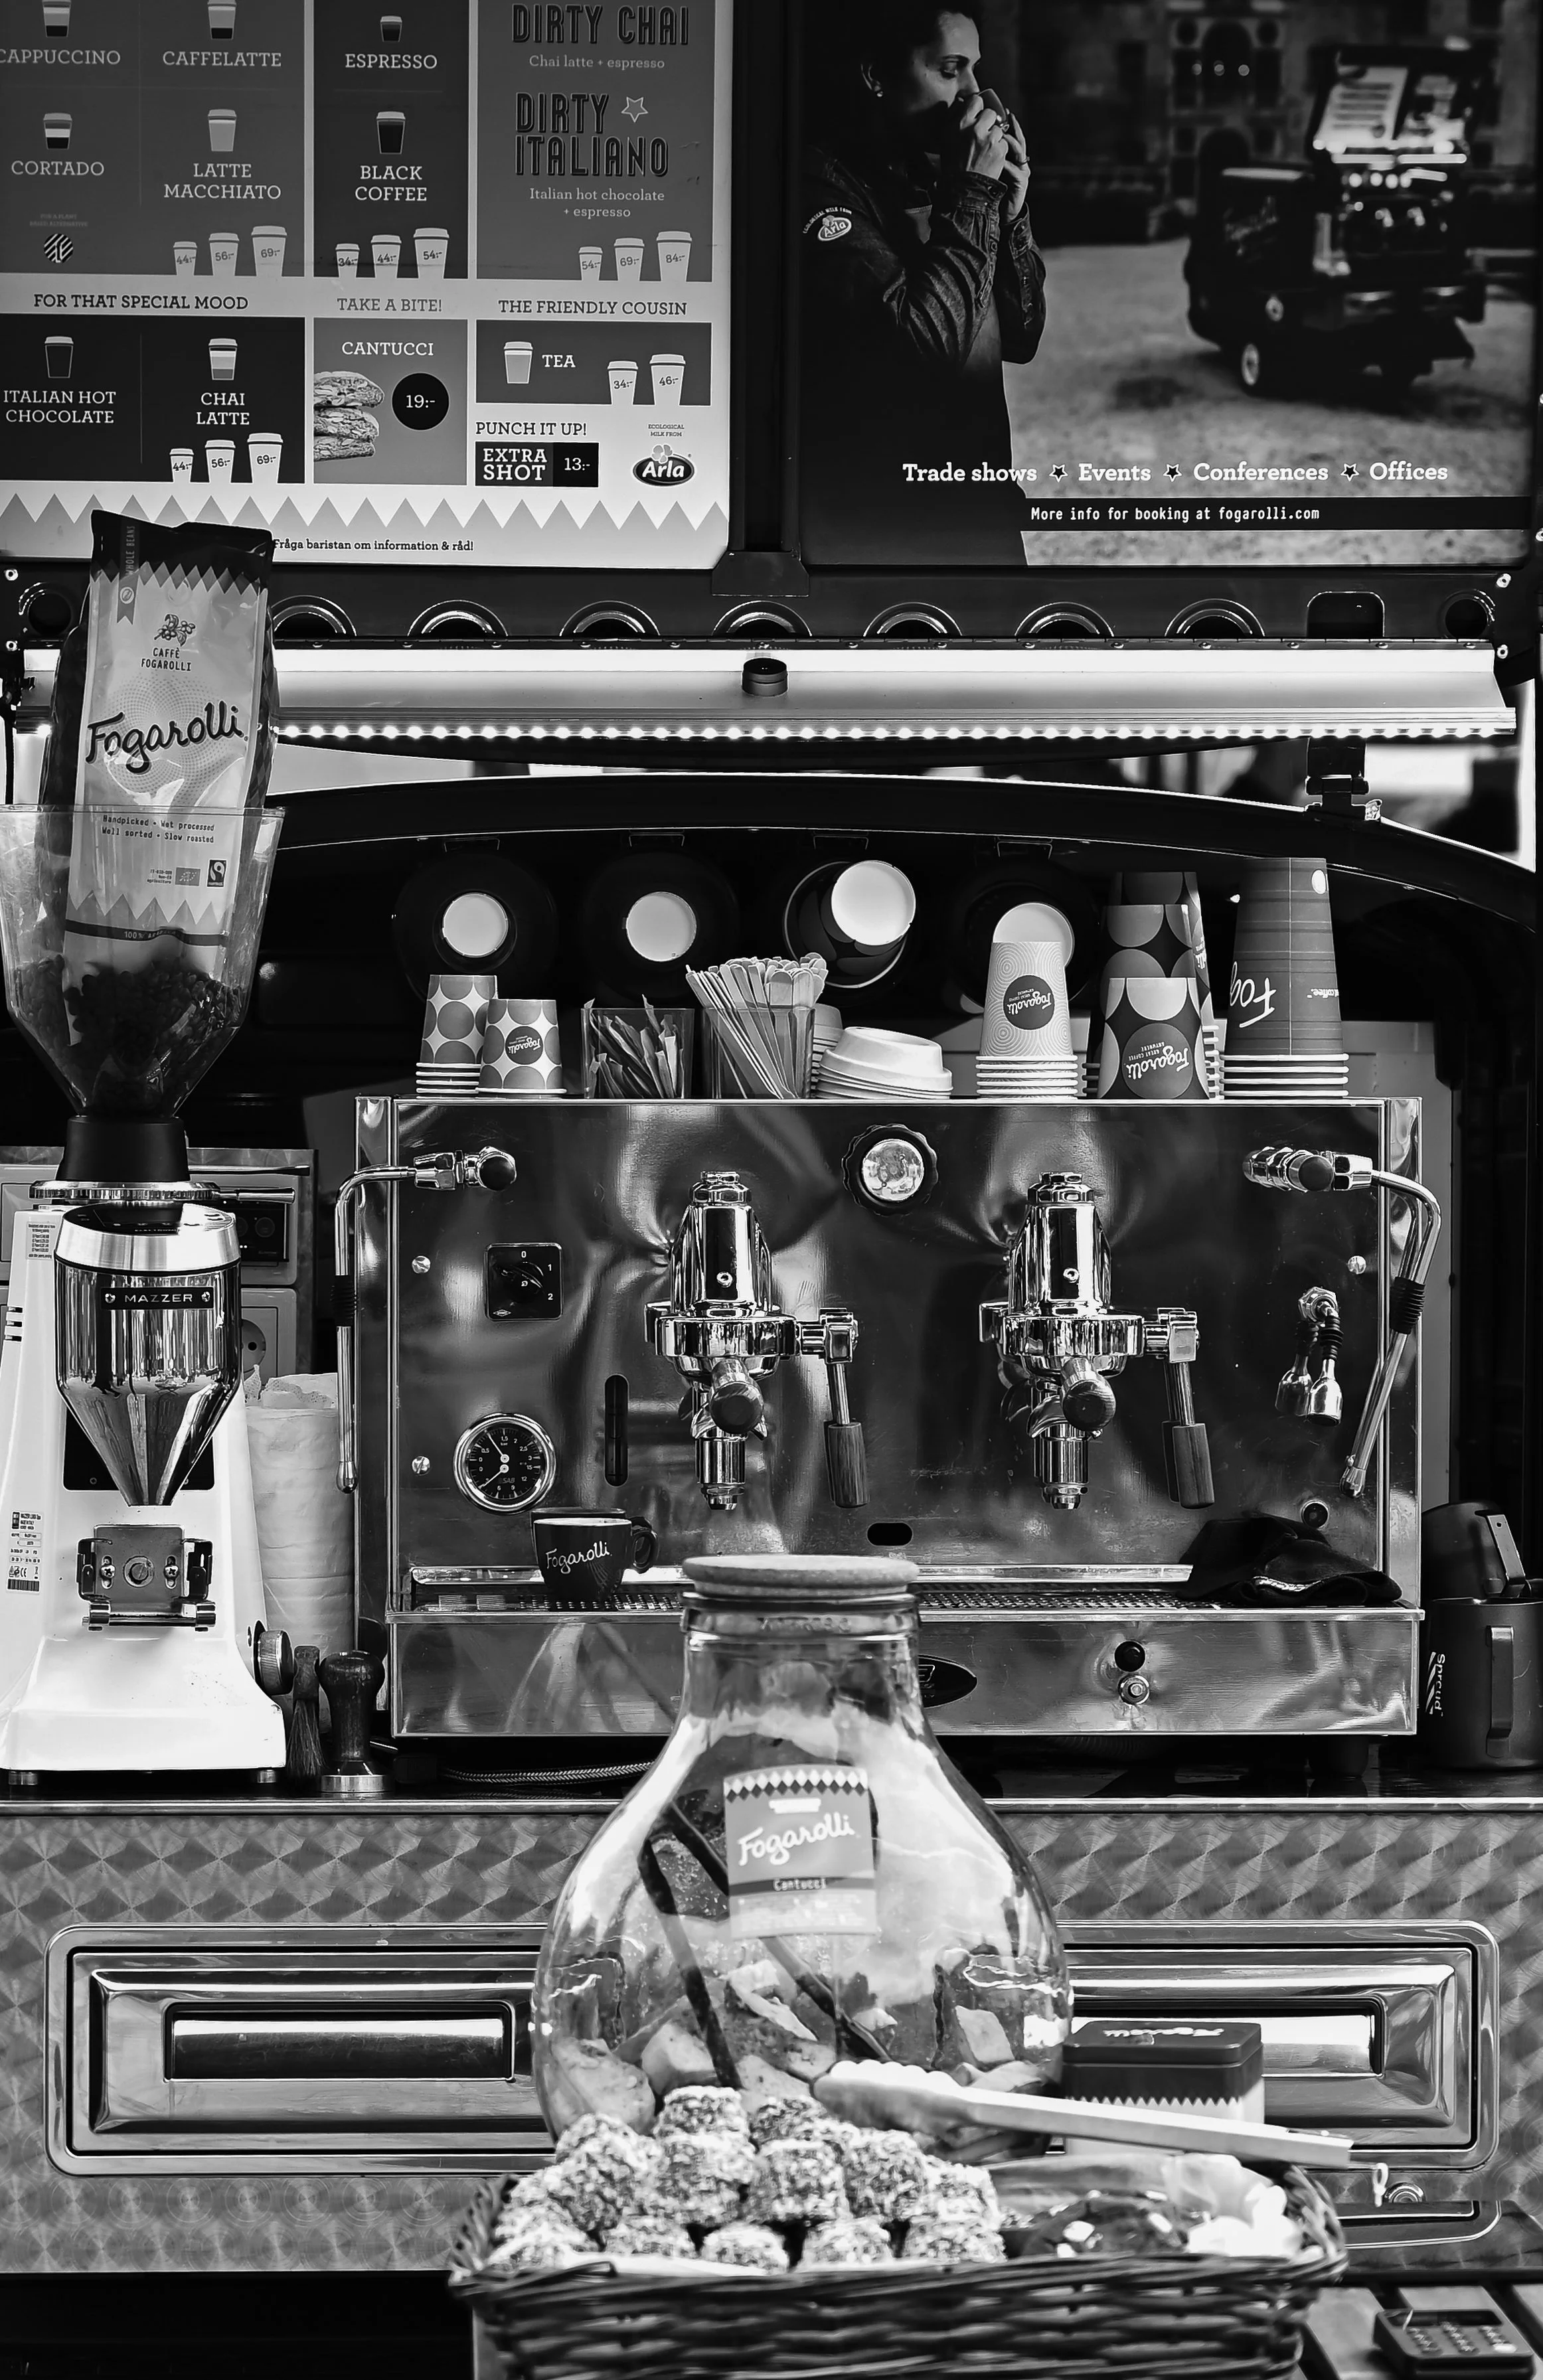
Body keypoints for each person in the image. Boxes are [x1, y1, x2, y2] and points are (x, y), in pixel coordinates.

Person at [800, 3, 1046, 564]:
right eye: (950, 67)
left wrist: (1011, 218)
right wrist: (972, 196)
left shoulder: (941, 174)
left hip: (982, 513)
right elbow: (923, 354)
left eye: (975, 69)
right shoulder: (824, 187)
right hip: (890, 535)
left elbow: (1024, 338)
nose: (972, 93)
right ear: (876, 77)